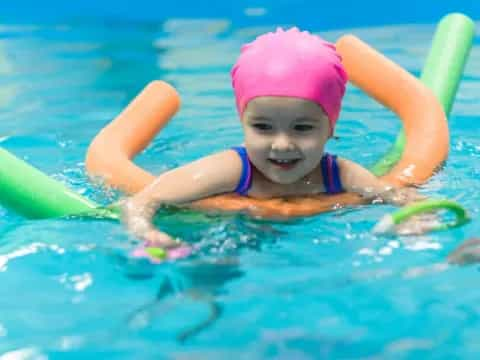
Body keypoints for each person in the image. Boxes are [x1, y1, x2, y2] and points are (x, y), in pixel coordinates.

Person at [121, 27, 423, 249]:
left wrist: (415, 219)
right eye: (263, 127)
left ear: (329, 128)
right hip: (220, 238)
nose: (282, 144)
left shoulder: (340, 174)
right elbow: (142, 201)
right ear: (243, 123)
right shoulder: (231, 170)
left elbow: (399, 196)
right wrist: (147, 232)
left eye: (302, 128)